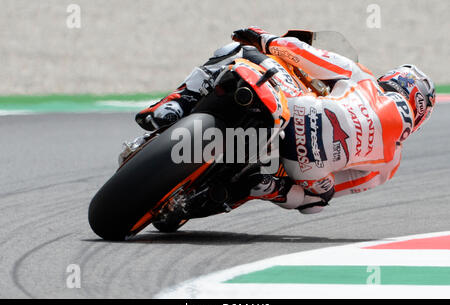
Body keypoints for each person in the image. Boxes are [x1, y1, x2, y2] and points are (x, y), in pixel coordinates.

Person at [130, 26, 436, 214]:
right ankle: (262, 186)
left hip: (299, 112)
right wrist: (301, 186)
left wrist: (266, 38)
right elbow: (333, 191)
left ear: (392, 80)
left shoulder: (365, 79)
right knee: (315, 200)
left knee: (239, 51)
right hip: (306, 168)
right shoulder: (390, 165)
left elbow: (303, 54)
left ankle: (176, 104)